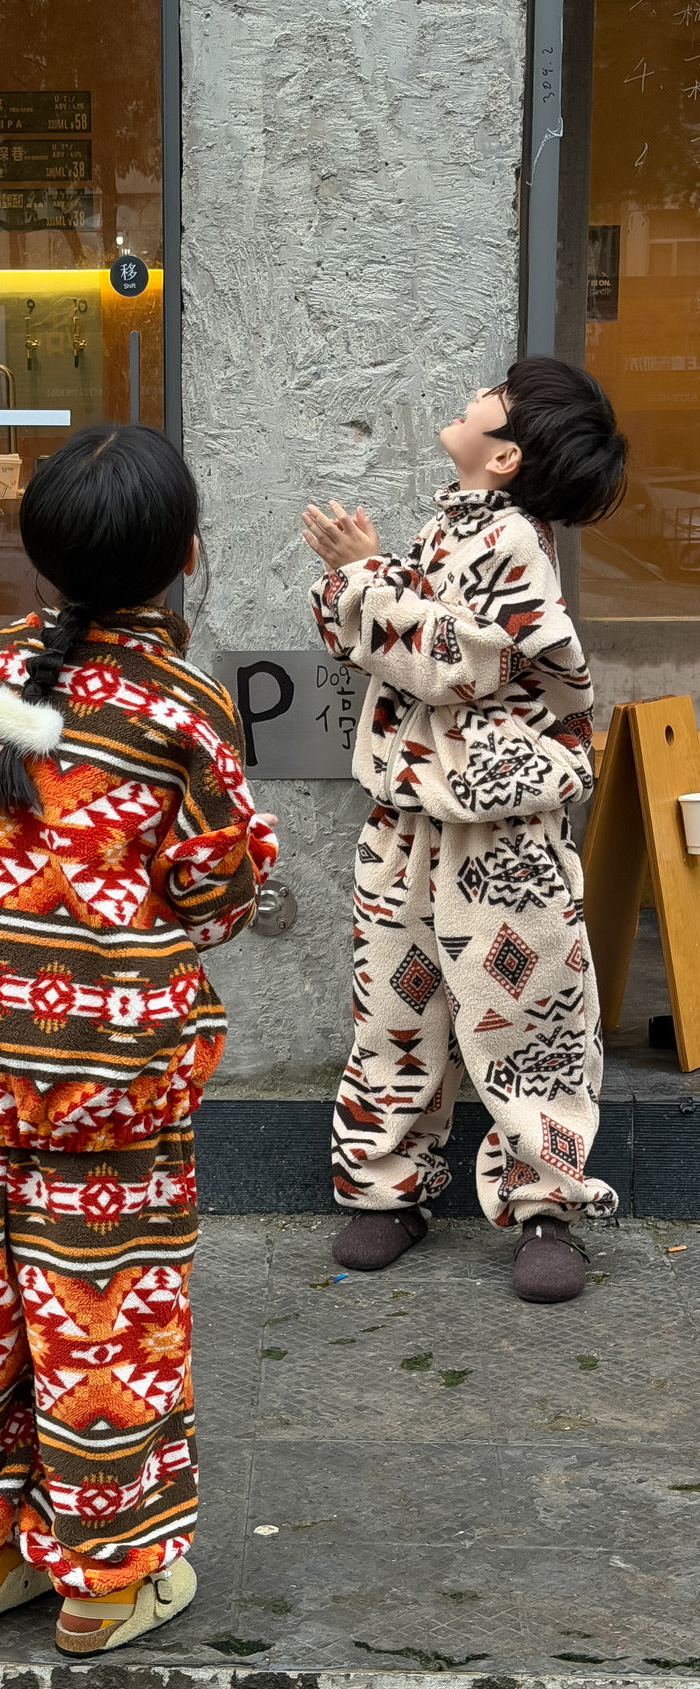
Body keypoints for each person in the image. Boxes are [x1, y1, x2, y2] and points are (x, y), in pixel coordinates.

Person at [0, 423, 277, 1654]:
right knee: (101, 1308)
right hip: (101, 1080)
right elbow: (217, 891)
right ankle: (109, 1580)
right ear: (185, 557)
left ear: (42, 557)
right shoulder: (181, 703)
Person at [302, 357, 626, 1304]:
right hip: (409, 817)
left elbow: (462, 661)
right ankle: (386, 1190)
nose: (472, 397)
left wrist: (363, 578)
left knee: (529, 1018)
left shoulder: (515, 541)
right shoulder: (458, 522)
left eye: (494, 397)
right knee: (397, 1012)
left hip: (502, 835)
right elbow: (410, 641)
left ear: (508, 451)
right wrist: (362, 575)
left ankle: (547, 1205)